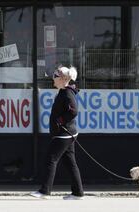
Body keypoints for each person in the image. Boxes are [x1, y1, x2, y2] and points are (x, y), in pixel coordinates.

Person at [30, 65, 84, 200]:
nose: (52, 79)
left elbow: (73, 111)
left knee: (51, 160)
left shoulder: (66, 93)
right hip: (66, 133)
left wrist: (60, 120)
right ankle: (78, 193)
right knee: (70, 163)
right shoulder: (64, 91)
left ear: (62, 79)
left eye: (55, 77)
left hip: (63, 133)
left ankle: (45, 191)